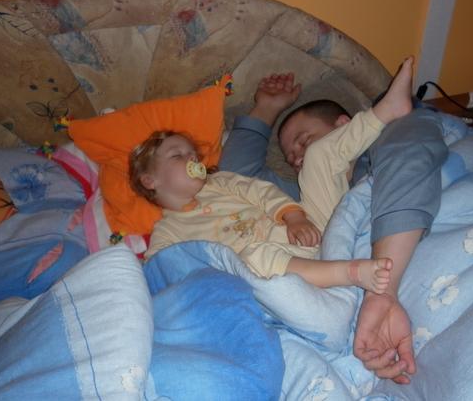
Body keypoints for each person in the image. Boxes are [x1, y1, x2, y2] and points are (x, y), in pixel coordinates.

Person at [219, 58, 448, 384]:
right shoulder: (300, 201)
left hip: (403, 258)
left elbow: (411, 153)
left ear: (345, 125)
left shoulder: (394, 133)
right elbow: (234, 180)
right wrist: (265, 109)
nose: (298, 158)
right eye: (291, 159)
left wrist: (383, 291)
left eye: (303, 141)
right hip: (343, 274)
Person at [133, 131, 391, 293]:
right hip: (270, 273)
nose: (192, 159)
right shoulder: (167, 230)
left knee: (318, 158)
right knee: (254, 256)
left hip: (306, 236)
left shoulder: (220, 182)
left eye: (193, 154)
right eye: (177, 156)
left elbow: (263, 193)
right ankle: (350, 273)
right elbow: (160, 269)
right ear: (150, 180)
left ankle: (382, 114)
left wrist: (295, 218)